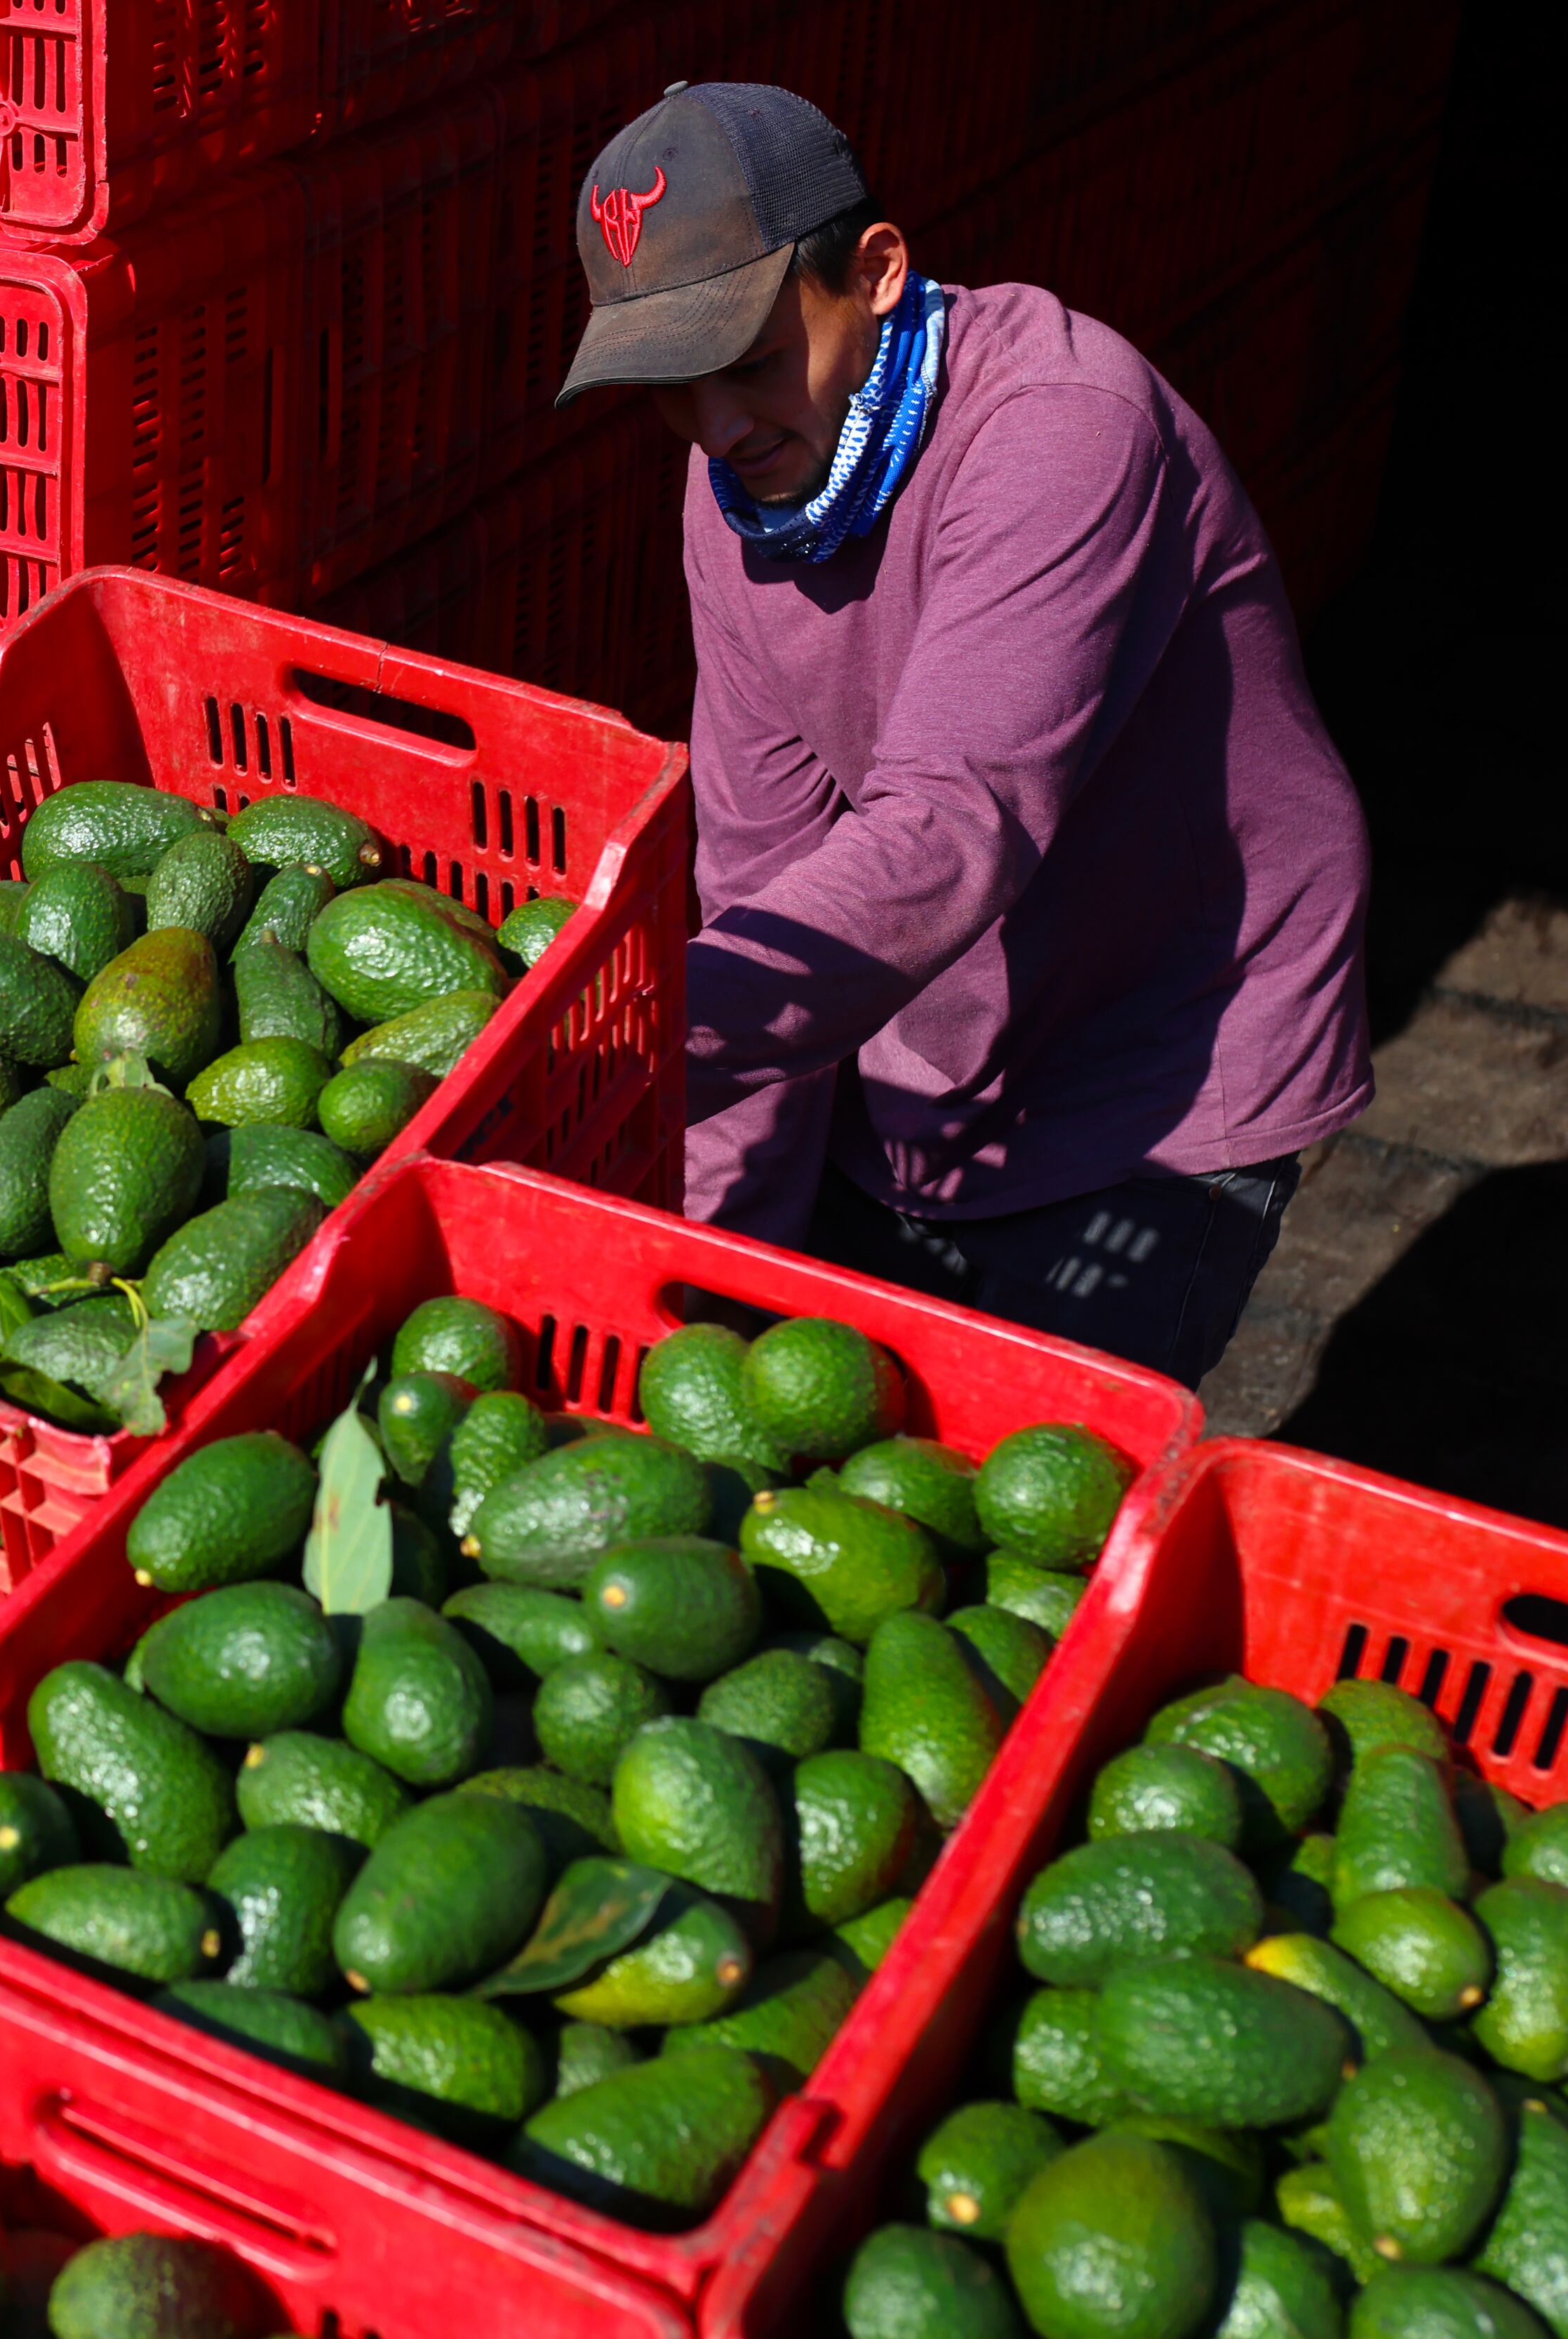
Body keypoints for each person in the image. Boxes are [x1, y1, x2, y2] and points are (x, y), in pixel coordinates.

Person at [557, 83, 1371, 1384]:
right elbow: (763, 876)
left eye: (754, 364)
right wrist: (699, 1277)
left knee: (1034, 1506)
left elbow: (952, 825)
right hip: (929, 1036)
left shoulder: (1058, 426)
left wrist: (621, 1040)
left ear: (877, 272)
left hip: (1167, 1048)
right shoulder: (740, 493)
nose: (716, 428)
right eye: (672, 387)